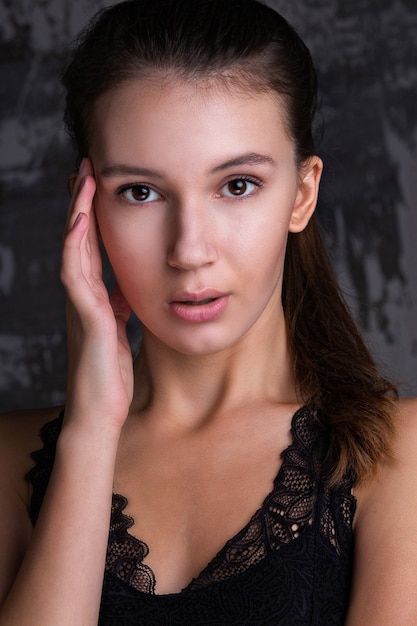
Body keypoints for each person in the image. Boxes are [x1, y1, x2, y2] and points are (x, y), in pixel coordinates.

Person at [1, 0, 416, 623]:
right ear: (85, 212)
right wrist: (90, 431)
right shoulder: (10, 464)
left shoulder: (397, 456)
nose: (189, 251)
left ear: (301, 195)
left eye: (237, 185)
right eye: (140, 192)